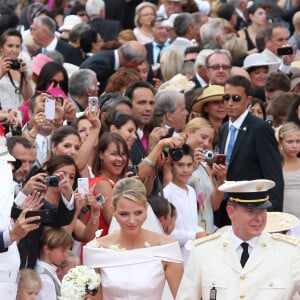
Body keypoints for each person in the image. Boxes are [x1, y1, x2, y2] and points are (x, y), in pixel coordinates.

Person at [176, 179, 300, 300]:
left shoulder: (289, 252)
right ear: (230, 211)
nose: (259, 218)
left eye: (262, 210)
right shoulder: (203, 251)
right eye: (251, 211)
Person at [83, 177, 184, 299]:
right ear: (113, 211)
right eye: (124, 214)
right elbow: (94, 297)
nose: (132, 221)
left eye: (138, 213)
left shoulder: (167, 247)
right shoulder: (97, 249)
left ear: (146, 208)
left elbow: (182, 297)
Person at [216, 75, 284, 227]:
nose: (230, 103)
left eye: (236, 98)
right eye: (226, 98)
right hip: (227, 210)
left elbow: (274, 178)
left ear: (248, 100)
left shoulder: (260, 128)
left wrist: (273, 221)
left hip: (254, 212)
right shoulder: (224, 129)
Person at [163, 144, 206, 265]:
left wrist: (204, 234)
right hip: (178, 258)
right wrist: (195, 235)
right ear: (171, 166)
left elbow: (193, 224)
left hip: (195, 255)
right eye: (180, 165)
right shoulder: (167, 194)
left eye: (189, 165)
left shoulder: (191, 191)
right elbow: (168, 233)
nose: (185, 170)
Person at [80, 41, 147, 94]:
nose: (137, 68)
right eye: (139, 63)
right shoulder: (100, 64)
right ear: (133, 61)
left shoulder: (109, 57)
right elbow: (90, 92)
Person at [35, 226, 73, 300]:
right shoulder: (44, 278)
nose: (65, 255)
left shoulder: (49, 270)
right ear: (47, 249)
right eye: (62, 251)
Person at [0, 28, 33, 112]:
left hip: (16, 118)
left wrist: (25, 76)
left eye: (17, 46)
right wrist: (1, 73)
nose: (14, 50)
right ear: (1, 47)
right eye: (10, 46)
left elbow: (29, 100)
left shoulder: (19, 69)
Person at [278, 123, 300, 218]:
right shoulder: (275, 166)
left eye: (298, 141)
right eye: (290, 142)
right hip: (282, 216)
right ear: (280, 143)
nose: (294, 145)